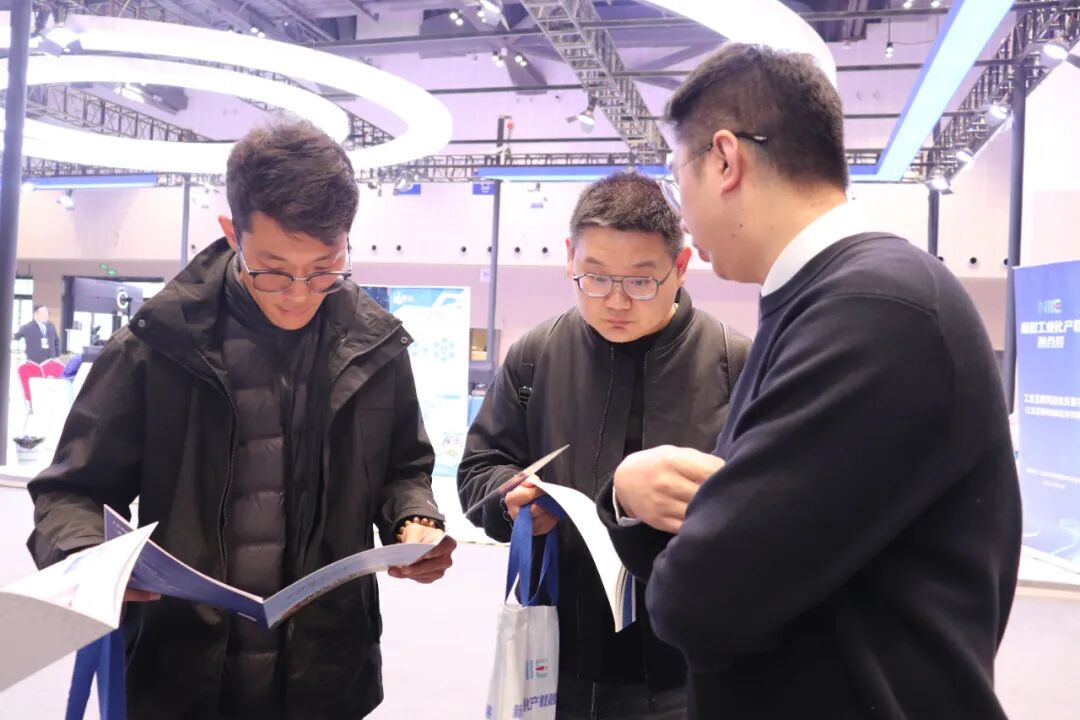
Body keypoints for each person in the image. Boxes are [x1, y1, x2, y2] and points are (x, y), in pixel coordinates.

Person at [600, 44, 1022, 720]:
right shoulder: (830, 303)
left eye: (677, 178)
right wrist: (641, 501)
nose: (681, 212)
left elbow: (704, 600)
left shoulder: (875, 310)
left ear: (725, 160)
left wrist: (697, 535)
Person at [27, 120, 456, 720]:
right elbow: (71, 491)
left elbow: (403, 468)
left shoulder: (374, 346)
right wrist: (90, 556)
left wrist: (415, 520)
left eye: (325, 268)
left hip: (327, 670)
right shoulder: (157, 345)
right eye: (274, 269)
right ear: (233, 233)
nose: (299, 294)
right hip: (180, 670)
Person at [459, 172, 750, 720]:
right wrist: (509, 501)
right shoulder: (536, 354)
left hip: (687, 666)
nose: (616, 301)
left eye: (640, 281)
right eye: (594, 277)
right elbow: (479, 468)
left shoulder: (735, 363)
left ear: (680, 267)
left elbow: (770, 507)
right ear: (569, 258)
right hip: (559, 657)